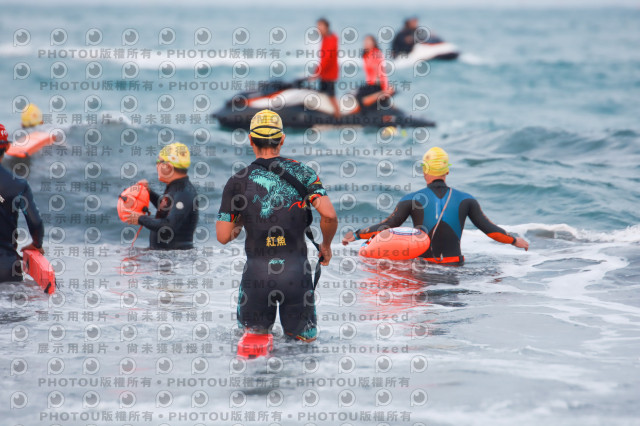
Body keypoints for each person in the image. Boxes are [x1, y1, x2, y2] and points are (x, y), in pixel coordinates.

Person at [217, 109, 338, 341]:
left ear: (250, 140)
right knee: (303, 348)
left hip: (256, 276)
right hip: (296, 275)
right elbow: (329, 215)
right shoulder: (304, 173)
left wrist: (241, 218)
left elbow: (223, 236)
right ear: (282, 139)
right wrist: (326, 246)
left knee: (253, 347)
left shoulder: (237, 181)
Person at [342, 147, 529, 264]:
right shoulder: (466, 200)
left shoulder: (411, 199)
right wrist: (514, 240)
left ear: (424, 170)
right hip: (455, 267)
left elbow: (387, 226)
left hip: (425, 268)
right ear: (447, 171)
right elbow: (491, 230)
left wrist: (356, 234)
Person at [126, 142, 198, 250]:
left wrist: (141, 219)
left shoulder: (184, 193)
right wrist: (149, 192)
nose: (156, 166)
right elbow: (167, 209)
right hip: (165, 254)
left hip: (176, 257)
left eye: (158, 162)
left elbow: (169, 226)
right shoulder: (177, 188)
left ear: (168, 166)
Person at [0, 124, 44, 282]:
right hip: (7, 268)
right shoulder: (19, 185)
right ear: (7, 147)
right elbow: (35, 222)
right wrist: (37, 244)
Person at [308, 18, 341, 118]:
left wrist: (317, 72)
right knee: (323, 95)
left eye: (320, 26)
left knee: (331, 96)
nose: (318, 28)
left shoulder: (331, 39)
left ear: (326, 27)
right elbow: (323, 58)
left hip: (329, 73)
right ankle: (325, 115)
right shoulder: (325, 39)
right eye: (318, 26)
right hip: (324, 73)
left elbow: (327, 58)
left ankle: (338, 116)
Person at [359, 35, 394, 110]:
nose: (366, 43)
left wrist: (385, 87)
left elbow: (381, 72)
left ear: (373, 43)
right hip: (370, 83)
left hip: (377, 84)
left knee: (361, 98)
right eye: (365, 42)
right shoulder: (366, 55)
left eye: (368, 42)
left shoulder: (376, 54)